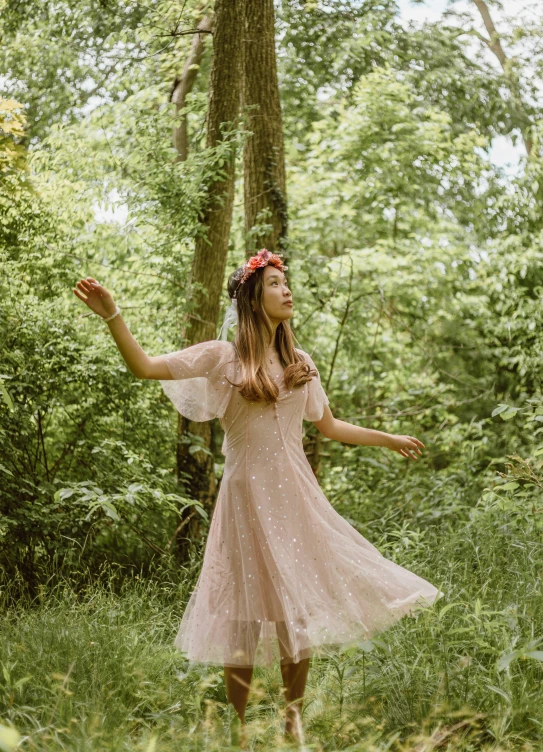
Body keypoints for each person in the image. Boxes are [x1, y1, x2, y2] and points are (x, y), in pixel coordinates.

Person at [73, 249, 441, 746]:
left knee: (295, 606)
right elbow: (145, 367)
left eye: (286, 283)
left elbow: (328, 426)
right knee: (244, 614)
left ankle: (293, 719)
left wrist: (389, 437)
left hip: (295, 497)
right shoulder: (222, 357)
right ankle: (239, 729)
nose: (286, 290)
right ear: (252, 295)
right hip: (245, 497)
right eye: (274, 283)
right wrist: (113, 314)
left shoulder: (300, 361)